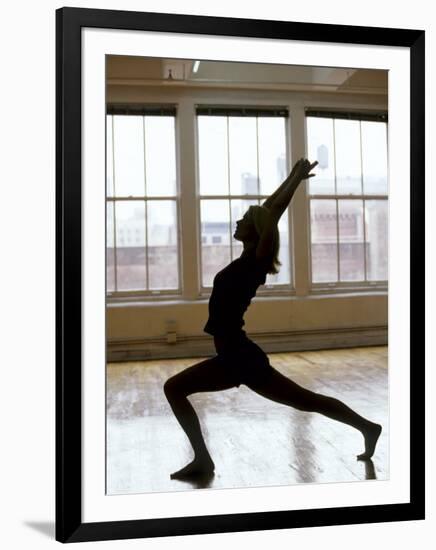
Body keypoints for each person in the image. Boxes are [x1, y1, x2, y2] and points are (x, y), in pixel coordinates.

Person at [163, 158, 382, 479]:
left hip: (238, 357)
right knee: (305, 401)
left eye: (244, 220)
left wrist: (293, 183)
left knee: (175, 388)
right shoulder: (247, 258)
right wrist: (294, 177)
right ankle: (367, 427)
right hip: (236, 354)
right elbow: (269, 210)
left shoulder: (255, 262)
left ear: (255, 233)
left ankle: (202, 461)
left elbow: (270, 215)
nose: (237, 221)